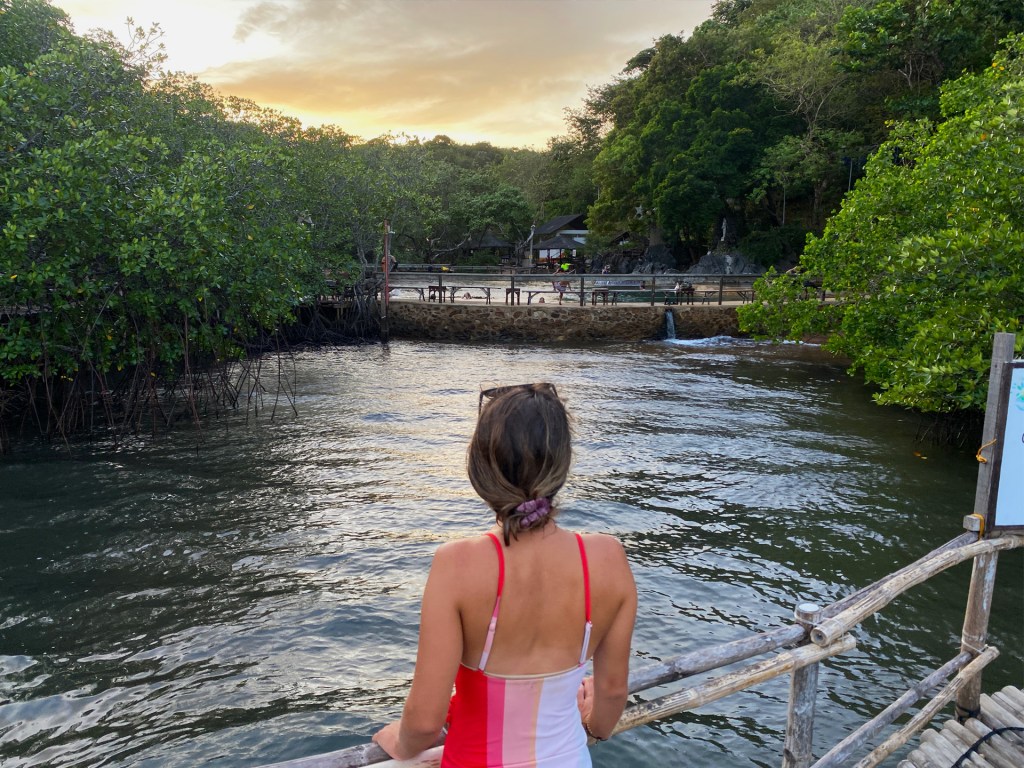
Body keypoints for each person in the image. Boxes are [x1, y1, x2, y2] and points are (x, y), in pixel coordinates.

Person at [372, 383, 637, 767]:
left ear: (480, 469)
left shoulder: (457, 564)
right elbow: (612, 690)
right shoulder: (608, 558)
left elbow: (426, 721)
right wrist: (593, 729)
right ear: (562, 466)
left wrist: (402, 742)